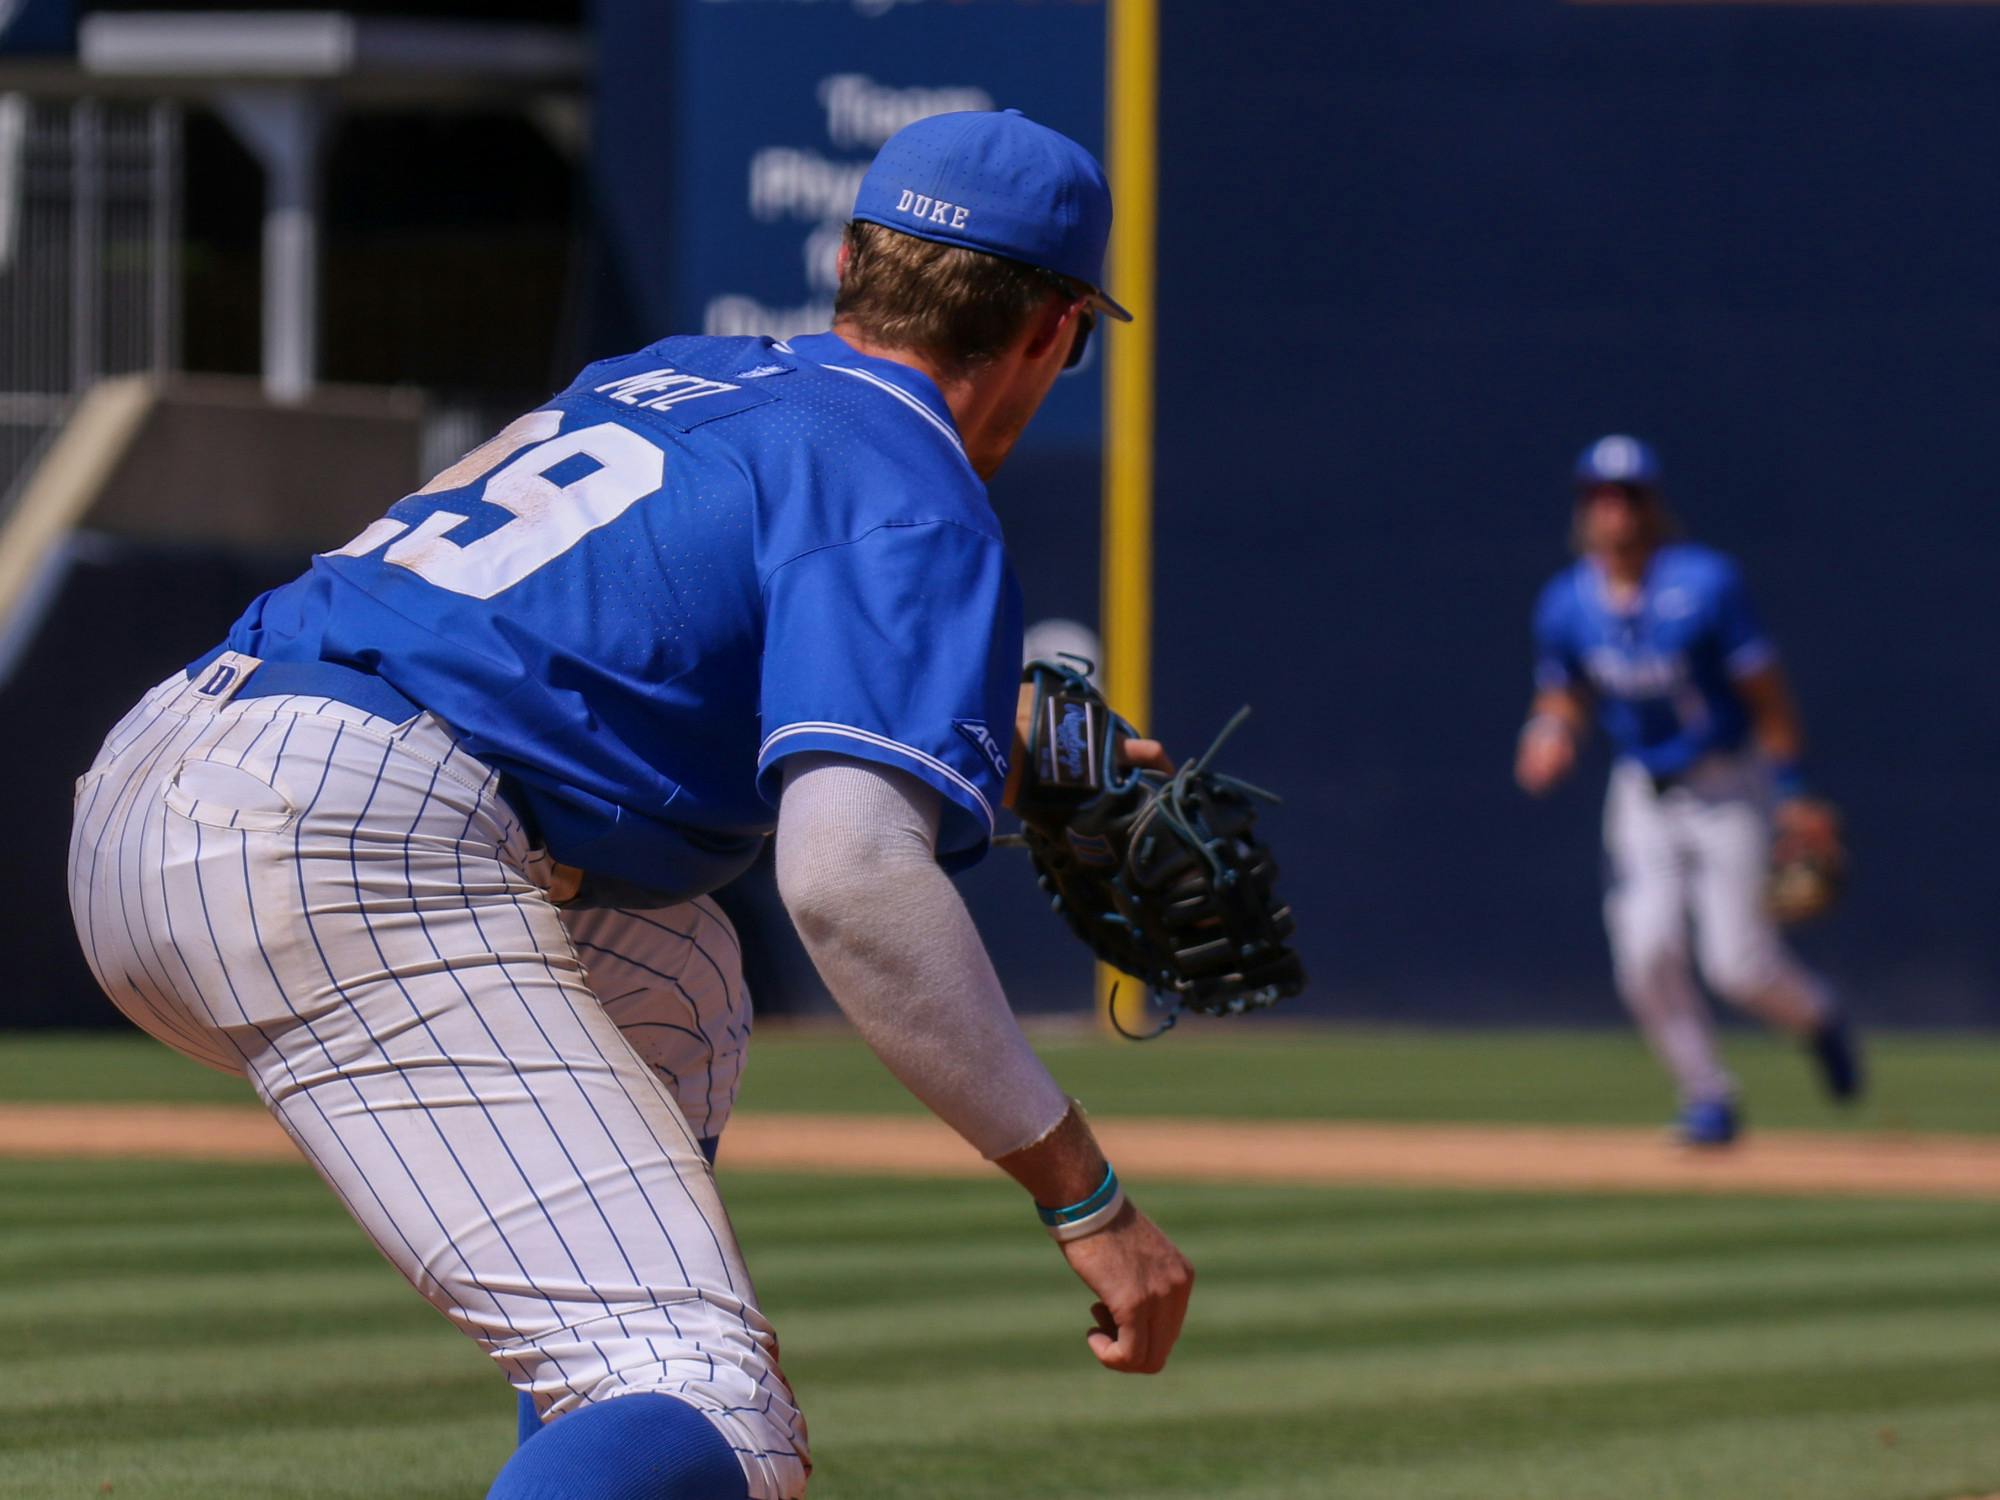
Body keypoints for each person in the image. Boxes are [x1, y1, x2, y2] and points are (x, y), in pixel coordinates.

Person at [66, 109, 1193, 1500]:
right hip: (351, 832)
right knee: (702, 1393)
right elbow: (848, 881)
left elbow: (584, 640)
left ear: (851, 261)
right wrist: (1086, 1193)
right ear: (1054, 332)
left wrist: (980, 727)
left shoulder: (674, 376)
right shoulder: (913, 486)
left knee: (685, 970)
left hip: (171, 771)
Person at [1513, 434, 1861, 1148]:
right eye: (1601, 496)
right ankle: (1707, 1095)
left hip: (1728, 783)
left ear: (1652, 503)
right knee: (1643, 954)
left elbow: (1766, 695)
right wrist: (1548, 732)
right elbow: (1564, 694)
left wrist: (1793, 791)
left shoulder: (1706, 584)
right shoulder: (1568, 601)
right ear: (1586, 507)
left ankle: (1819, 1016)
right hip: (1642, 787)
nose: (1615, 510)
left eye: (1628, 495)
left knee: (1739, 967)